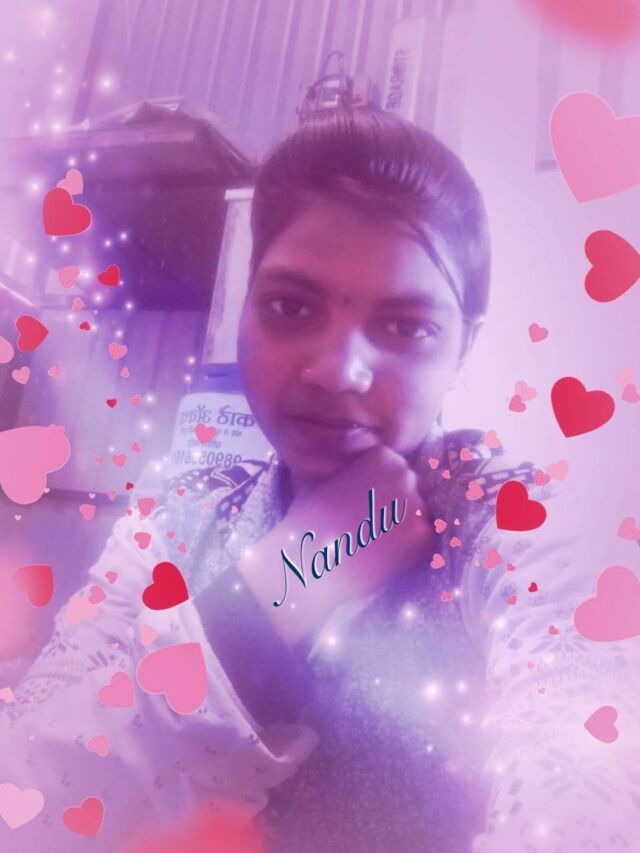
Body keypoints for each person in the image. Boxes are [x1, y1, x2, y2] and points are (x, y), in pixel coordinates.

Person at [1, 108, 638, 853]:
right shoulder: (172, 522)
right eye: (290, 307)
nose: (337, 371)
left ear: (464, 347)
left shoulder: (507, 519)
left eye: (405, 326)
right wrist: (274, 593)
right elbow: (27, 803)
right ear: (246, 308)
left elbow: (592, 786)